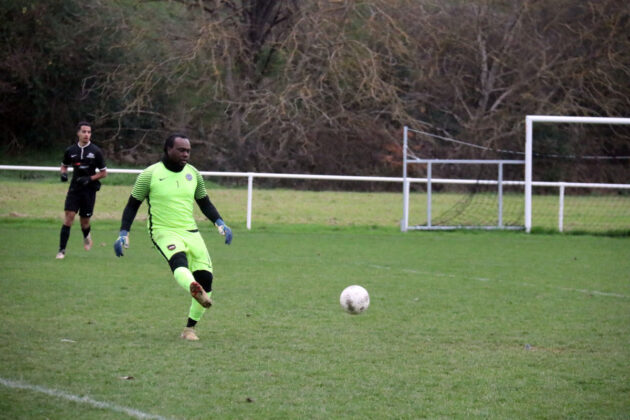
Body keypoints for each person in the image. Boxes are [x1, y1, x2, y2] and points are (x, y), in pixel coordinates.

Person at [113, 133, 232, 341]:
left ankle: (189, 329)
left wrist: (219, 222)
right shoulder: (149, 174)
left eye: (188, 150)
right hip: (163, 230)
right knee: (179, 261)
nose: (185, 154)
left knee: (207, 278)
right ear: (168, 149)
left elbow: (204, 202)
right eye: (181, 150)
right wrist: (124, 232)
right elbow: (133, 204)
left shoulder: (193, 174)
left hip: (191, 231)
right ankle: (192, 288)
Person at [57, 121, 107, 259]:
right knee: (69, 217)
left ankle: (86, 236)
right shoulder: (70, 150)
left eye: (89, 132)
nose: (86, 134)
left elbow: (103, 173)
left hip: (89, 190)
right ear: (78, 133)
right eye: (84, 132)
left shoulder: (96, 151)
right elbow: (64, 166)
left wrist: (89, 179)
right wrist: (63, 174)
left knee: (84, 221)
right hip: (75, 189)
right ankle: (61, 250)